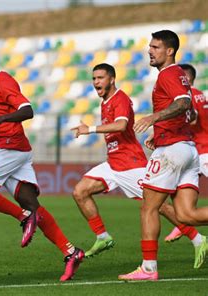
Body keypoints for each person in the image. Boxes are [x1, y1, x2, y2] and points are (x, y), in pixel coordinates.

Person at [0, 42, 84, 282]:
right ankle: (71, 252)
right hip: (17, 150)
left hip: (10, 145)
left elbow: (27, 110)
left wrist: (2, 118)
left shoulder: (4, 81)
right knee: (32, 204)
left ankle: (22, 217)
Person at [71, 63, 206, 268]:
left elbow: (121, 125)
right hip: (113, 163)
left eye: (100, 78)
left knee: (158, 207)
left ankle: (197, 238)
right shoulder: (105, 102)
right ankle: (103, 236)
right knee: (80, 191)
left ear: (112, 79)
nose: (96, 82)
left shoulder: (121, 99)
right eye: (94, 78)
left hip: (130, 164)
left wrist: (88, 129)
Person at [119, 30, 208, 281]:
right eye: (150, 46)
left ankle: (148, 269)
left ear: (169, 51)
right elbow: (183, 109)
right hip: (188, 149)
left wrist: (153, 118)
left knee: (148, 208)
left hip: (172, 150)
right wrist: (157, 134)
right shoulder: (179, 74)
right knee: (186, 215)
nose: (150, 50)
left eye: (156, 47)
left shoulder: (169, 74)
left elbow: (183, 104)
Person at [164, 64, 208, 242]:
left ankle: (182, 224)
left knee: (174, 188)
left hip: (203, 150)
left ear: (186, 78)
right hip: (197, 149)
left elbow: (193, 115)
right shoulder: (199, 93)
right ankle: (181, 224)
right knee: (178, 189)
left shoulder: (189, 95)